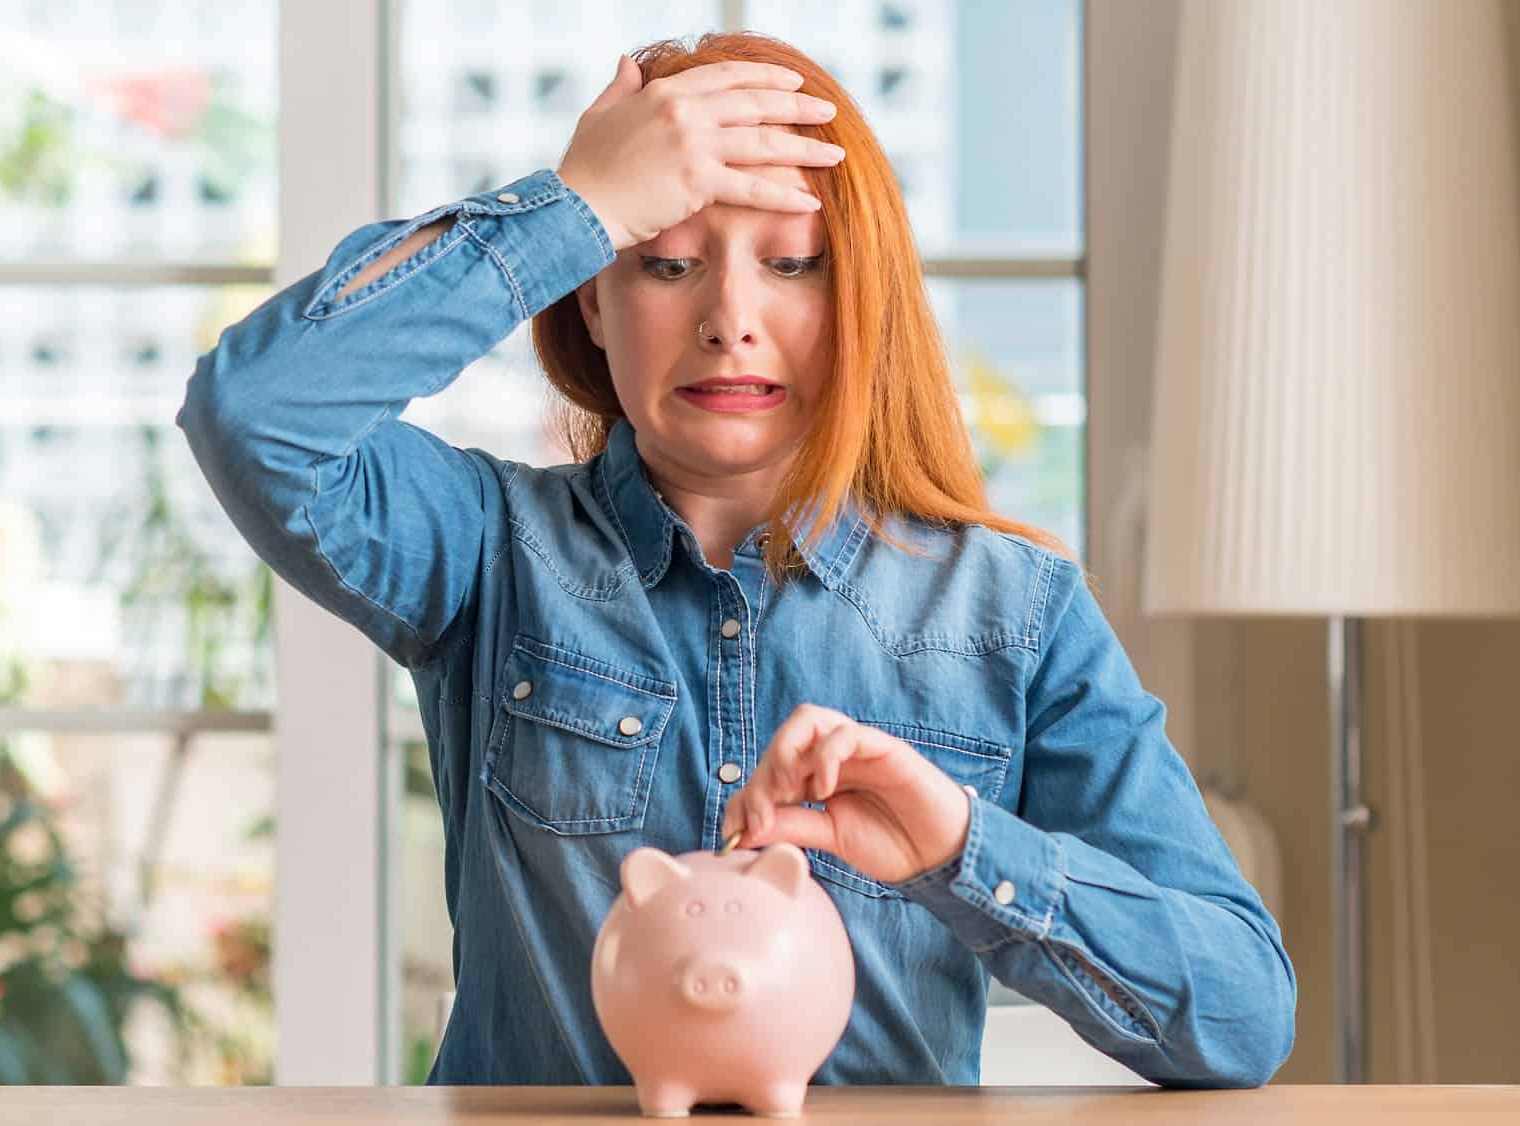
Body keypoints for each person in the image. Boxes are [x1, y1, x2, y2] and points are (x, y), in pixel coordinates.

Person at [178, 31, 1295, 1091]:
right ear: (595, 303)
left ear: (857, 302)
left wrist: (962, 843)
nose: (730, 319)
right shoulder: (488, 549)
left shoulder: (1015, 611)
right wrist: (572, 207)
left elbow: (1242, 1017)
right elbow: (253, 413)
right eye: (662, 263)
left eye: (793, 265)